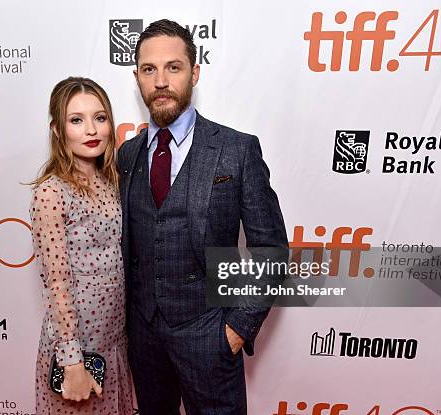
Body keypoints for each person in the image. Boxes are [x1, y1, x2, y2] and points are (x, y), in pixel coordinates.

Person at [118, 20, 288, 414]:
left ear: (194, 73)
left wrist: (235, 329)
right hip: (143, 340)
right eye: (149, 70)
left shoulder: (237, 150)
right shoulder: (126, 155)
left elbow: (272, 249)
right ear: (137, 78)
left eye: (173, 67)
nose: (160, 81)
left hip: (209, 335)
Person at [29, 77, 133, 414]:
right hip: (77, 351)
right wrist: (72, 361)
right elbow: (56, 281)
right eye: (76, 120)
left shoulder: (110, 180)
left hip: (115, 343)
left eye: (100, 118)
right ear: (58, 130)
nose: (91, 130)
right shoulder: (51, 192)